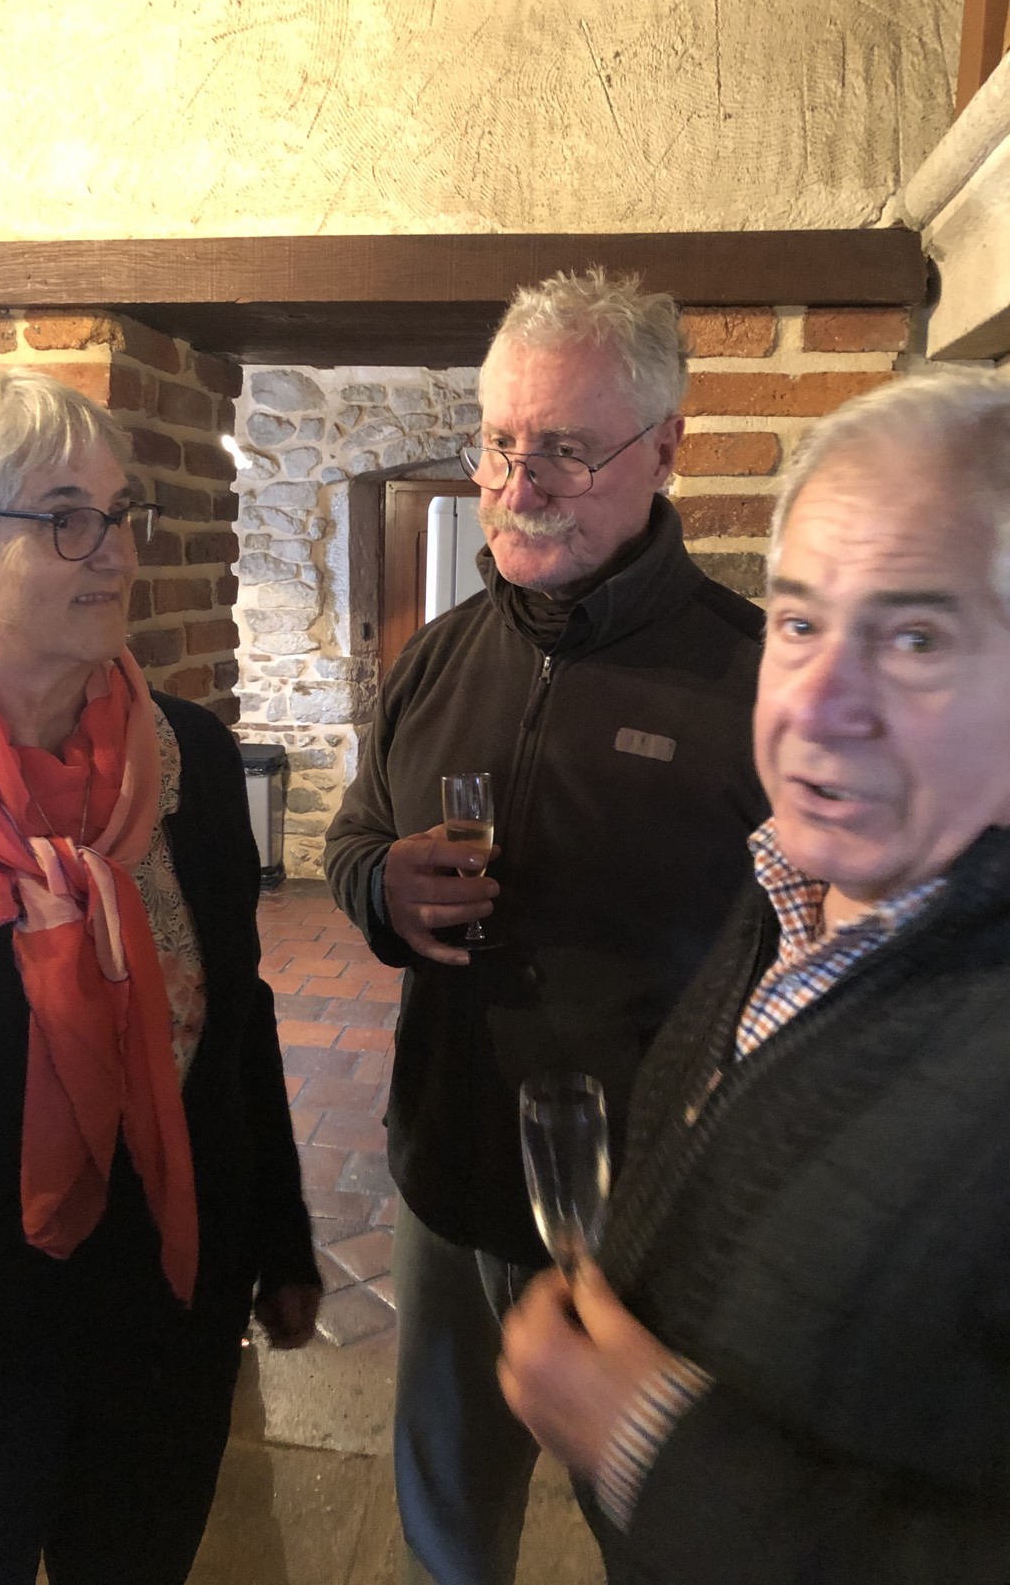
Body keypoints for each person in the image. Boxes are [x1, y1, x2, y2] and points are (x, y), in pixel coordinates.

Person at [498, 367, 1010, 1583]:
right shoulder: (795, 876)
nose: (819, 707)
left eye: (916, 638)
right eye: (800, 622)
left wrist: (652, 1450)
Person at [0, 368, 321, 1585]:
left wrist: (282, 1234)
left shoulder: (191, 760)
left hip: (160, 1334)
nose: (119, 553)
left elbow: (235, 1015)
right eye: (65, 519)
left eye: (122, 511)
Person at [324, 268, 768, 1585]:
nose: (520, 485)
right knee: (448, 1523)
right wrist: (381, 888)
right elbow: (352, 838)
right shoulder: (436, 655)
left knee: (664, 1537)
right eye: (502, 443)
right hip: (447, 1177)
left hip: (652, 1226)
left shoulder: (753, 680)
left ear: (666, 448)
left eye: (567, 450)